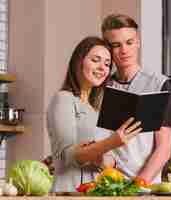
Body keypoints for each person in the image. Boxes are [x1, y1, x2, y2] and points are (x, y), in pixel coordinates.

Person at [46, 36, 142, 192]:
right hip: (69, 193)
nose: (102, 68)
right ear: (79, 61)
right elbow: (66, 156)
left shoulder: (97, 108)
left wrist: (102, 158)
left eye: (107, 64)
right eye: (95, 60)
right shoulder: (63, 99)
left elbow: (108, 162)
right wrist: (111, 142)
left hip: (96, 192)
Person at [101, 14, 171, 184]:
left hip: (146, 187)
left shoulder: (160, 83)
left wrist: (138, 185)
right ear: (108, 48)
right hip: (107, 184)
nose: (124, 50)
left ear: (138, 42)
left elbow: (164, 149)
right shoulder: (102, 86)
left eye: (129, 42)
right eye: (116, 45)